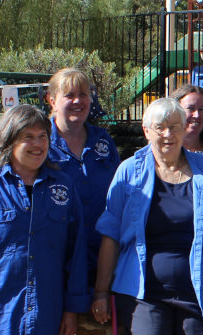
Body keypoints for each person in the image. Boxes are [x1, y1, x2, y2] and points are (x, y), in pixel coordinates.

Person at [91, 98, 203, 334]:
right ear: (147, 131)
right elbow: (111, 234)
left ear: (184, 129)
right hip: (144, 293)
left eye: (174, 126)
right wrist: (101, 291)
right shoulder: (129, 171)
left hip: (200, 292)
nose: (168, 134)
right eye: (160, 127)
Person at [0, 105, 88, 335]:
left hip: (48, 316)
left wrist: (72, 311)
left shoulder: (63, 187)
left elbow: (76, 253)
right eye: (28, 137)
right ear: (9, 141)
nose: (38, 144)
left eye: (43, 136)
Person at [46, 68, 121, 287]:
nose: (78, 101)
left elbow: (119, 191)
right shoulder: (41, 143)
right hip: (59, 254)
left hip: (103, 253)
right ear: (52, 100)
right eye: (69, 95)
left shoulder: (103, 141)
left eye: (84, 94)